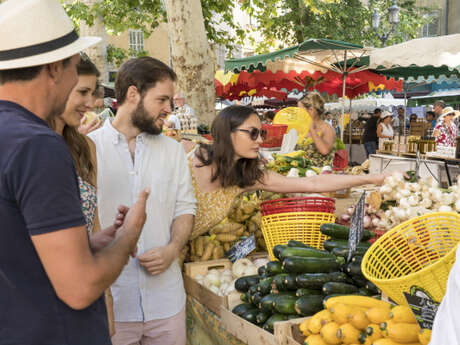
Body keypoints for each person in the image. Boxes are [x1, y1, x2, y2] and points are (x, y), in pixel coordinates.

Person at [0, 1, 149, 345]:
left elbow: (18, 246)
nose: (84, 93)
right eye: (73, 68)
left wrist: (89, 243)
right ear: (54, 68)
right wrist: (129, 235)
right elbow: (79, 288)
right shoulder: (37, 146)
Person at [89, 57, 196, 345]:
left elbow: (186, 209)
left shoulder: (174, 151)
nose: (169, 110)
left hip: (167, 303)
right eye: (162, 99)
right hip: (113, 306)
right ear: (133, 94)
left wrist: (172, 249)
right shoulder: (88, 149)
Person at [187, 105, 388, 240]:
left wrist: (372, 178)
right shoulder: (187, 161)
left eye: (262, 133)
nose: (260, 141)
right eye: (253, 133)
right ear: (227, 133)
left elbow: (313, 184)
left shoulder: (244, 177)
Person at [297, 92, 336, 167]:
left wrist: (312, 130)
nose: (298, 113)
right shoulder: (301, 127)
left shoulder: (327, 128)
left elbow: (324, 150)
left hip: (320, 174)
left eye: (300, 110)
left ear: (311, 110)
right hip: (301, 173)